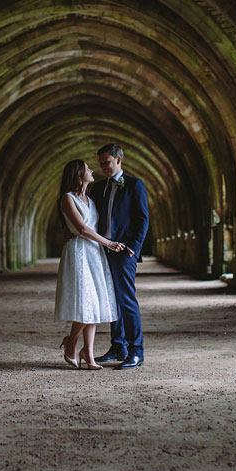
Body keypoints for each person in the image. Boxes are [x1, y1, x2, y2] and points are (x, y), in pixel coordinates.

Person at [55, 159, 125, 370]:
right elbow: (83, 229)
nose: (92, 170)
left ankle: (89, 354)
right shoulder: (67, 199)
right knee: (87, 303)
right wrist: (109, 244)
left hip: (94, 254)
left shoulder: (90, 199)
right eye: (87, 169)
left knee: (94, 304)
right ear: (78, 175)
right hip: (79, 253)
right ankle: (72, 343)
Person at [89, 143, 149, 369]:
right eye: (101, 163)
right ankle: (118, 346)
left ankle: (136, 351)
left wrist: (133, 248)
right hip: (102, 250)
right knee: (111, 299)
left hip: (124, 251)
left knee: (126, 299)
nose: (103, 167)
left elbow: (143, 219)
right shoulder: (99, 188)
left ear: (119, 160)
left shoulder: (135, 185)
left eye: (107, 162)